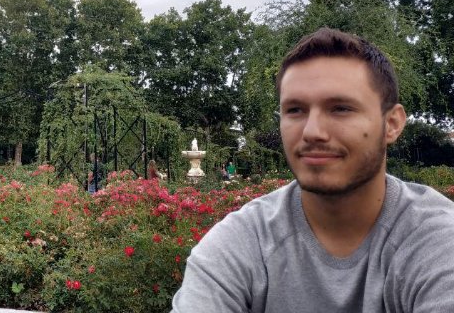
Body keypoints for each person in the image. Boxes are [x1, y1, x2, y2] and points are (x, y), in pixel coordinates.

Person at [171, 27, 454, 312]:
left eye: (341, 108)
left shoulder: (437, 241)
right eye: (295, 110)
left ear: (392, 123)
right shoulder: (242, 244)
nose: (312, 132)